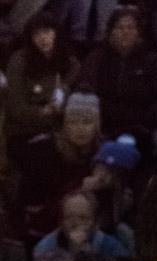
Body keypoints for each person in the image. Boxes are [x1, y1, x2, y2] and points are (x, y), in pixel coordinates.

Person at [76, 6, 157, 145]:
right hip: (104, 126)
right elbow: (86, 92)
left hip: (141, 126)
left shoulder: (153, 61)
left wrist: (142, 119)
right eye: (120, 27)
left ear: (138, 32)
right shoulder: (96, 59)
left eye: (130, 27)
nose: (125, 32)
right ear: (111, 32)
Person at [18, 91, 102, 243]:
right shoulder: (44, 152)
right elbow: (30, 203)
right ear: (65, 124)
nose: (80, 128)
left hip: (87, 230)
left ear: (96, 125)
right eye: (73, 122)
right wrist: (80, 189)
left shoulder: (101, 155)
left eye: (87, 122)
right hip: (44, 230)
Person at [3, 12, 79, 152]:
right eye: (36, 34)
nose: (43, 38)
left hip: (59, 131)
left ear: (56, 33)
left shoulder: (70, 63)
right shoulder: (19, 61)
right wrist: (42, 112)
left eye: (47, 32)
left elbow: (72, 100)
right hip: (24, 132)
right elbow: (15, 108)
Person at [32, 189, 130, 259]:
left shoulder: (113, 249)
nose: (75, 224)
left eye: (83, 218)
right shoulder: (45, 248)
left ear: (96, 223)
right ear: (61, 222)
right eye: (69, 217)